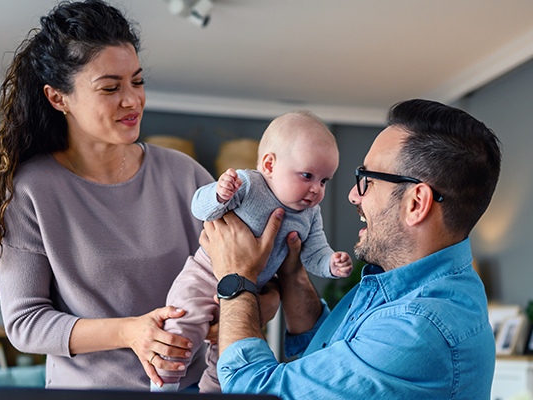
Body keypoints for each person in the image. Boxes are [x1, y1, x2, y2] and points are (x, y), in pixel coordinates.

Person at [0, 0, 216, 390]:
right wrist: (129, 333)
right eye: (110, 88)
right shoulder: (31, 191)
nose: (132, 99)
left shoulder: (186, 175)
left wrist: (233, 313)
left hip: (188, 389)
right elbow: (24, 323)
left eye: (137, 81)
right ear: (58, 98)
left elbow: (250, 282)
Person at [201, 99, 501, 399]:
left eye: (367, 181)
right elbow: (330, 361)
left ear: (415, 203)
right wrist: (292, 273)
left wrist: (236, 278)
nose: (352, 196)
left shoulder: (417, 329)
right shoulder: (408, 287)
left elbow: (253, 391)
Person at [155, 111, 353, 392]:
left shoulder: (310, 215)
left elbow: (314, 252)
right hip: (204, 274)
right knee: (180, 325)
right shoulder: (248, 184)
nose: (315, 190)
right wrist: (219, 195)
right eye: (307, 175)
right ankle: (163, 386)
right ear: (269, 164)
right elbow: (199, 207)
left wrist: (330, 263)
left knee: (227, 356)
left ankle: (211, 392)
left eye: (324, 181)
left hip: (252, 293)